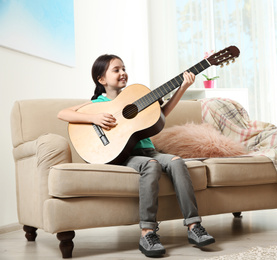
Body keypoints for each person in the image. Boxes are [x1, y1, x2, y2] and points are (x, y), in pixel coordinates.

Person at [57, 54, 215, 257]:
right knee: (151, 165)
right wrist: (93, 118)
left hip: (149, 151)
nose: (123, 72)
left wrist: (182, 87)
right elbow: (63, 114)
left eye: (124, 68)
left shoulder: (135, 98)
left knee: (176, 162)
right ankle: (147, 233)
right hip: (125, 155)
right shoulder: (97, 103)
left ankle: (194, 227)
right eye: (116, 70)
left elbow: (162, 113)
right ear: (101, 79)